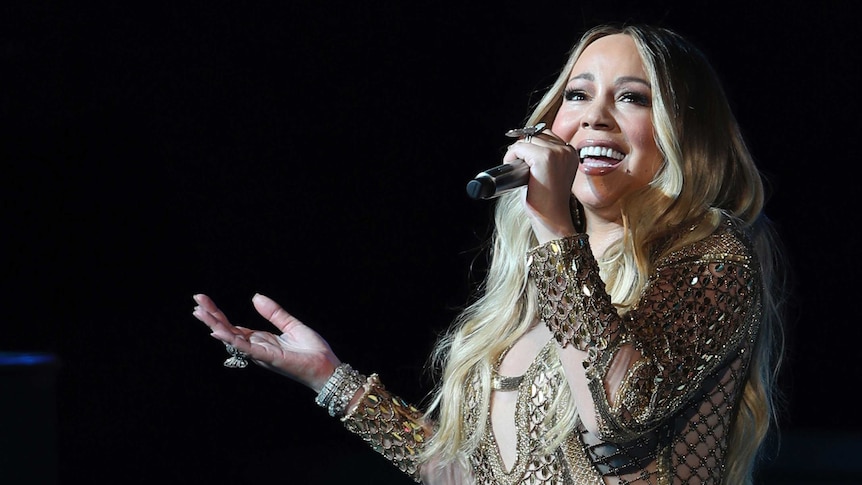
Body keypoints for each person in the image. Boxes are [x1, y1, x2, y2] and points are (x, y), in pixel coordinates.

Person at [192, 23, 787, 484]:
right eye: (577, 95)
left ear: (684, 131)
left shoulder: (713, 258)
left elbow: (618, 416)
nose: (594, 117)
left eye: (631, 98)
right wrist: (330, 379)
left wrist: (556, 229)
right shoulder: (540, 284)